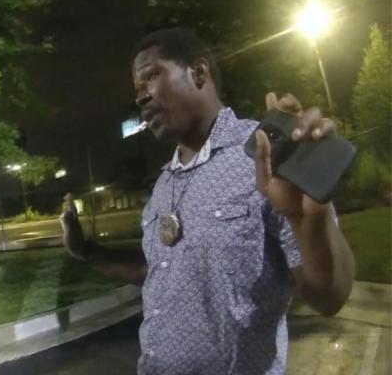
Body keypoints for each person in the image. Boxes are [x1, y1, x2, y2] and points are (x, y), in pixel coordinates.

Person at [60, 28, 355, 374]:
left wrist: (311, 224)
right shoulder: (162, 185)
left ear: (198, 73)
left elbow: (329, 296)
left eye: (151, 77)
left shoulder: (266, 157)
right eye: (137, 89)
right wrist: (86, 251)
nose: (140, 98)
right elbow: (158, 272)